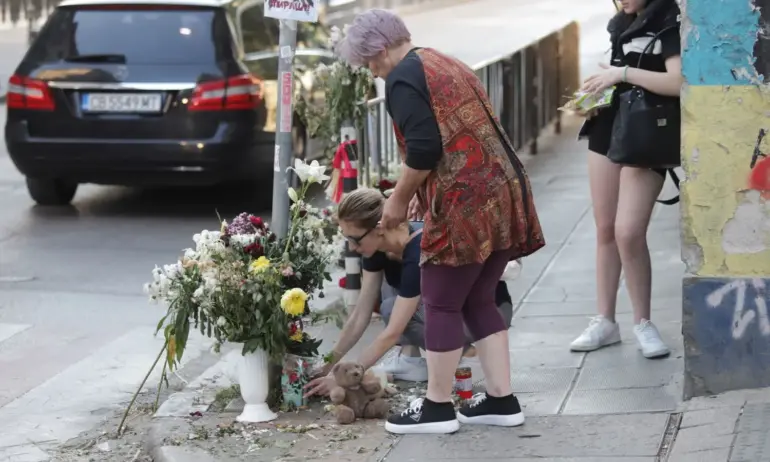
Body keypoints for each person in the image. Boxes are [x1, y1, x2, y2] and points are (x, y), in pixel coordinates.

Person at [336, 10, 545, 435]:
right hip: (502, 192)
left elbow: (425, 148)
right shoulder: (441, 61)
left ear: (379, 49)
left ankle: (436, 407)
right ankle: (502, 401)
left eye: (368, 63)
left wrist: (399, 199)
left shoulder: (401, 78)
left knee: (442, 301)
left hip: (465, 202)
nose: (371, 72)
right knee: (479, 299)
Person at [303, 188, 515, 396]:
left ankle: (460, 354)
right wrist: (327, 365)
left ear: (379, 228)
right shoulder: (376, 247)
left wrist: (346, 377)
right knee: (391, 296)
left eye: (355, 239)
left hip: (486, 316)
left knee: (391, 307)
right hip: (452, 311)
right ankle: (414, 360)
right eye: (346, 239)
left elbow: (393, 330)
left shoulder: (418, 248)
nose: (351, 247)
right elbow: (360, 314)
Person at [571, 0, 681, 358]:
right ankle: (605, 321)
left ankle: (643, 323)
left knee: (628, 232)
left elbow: (678, 82)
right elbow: (618, 75)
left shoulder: (669, 18)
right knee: (605, 228)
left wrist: (621, 75)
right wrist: (597, 92)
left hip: (647, 132)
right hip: (608, 127)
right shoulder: (621, 22)